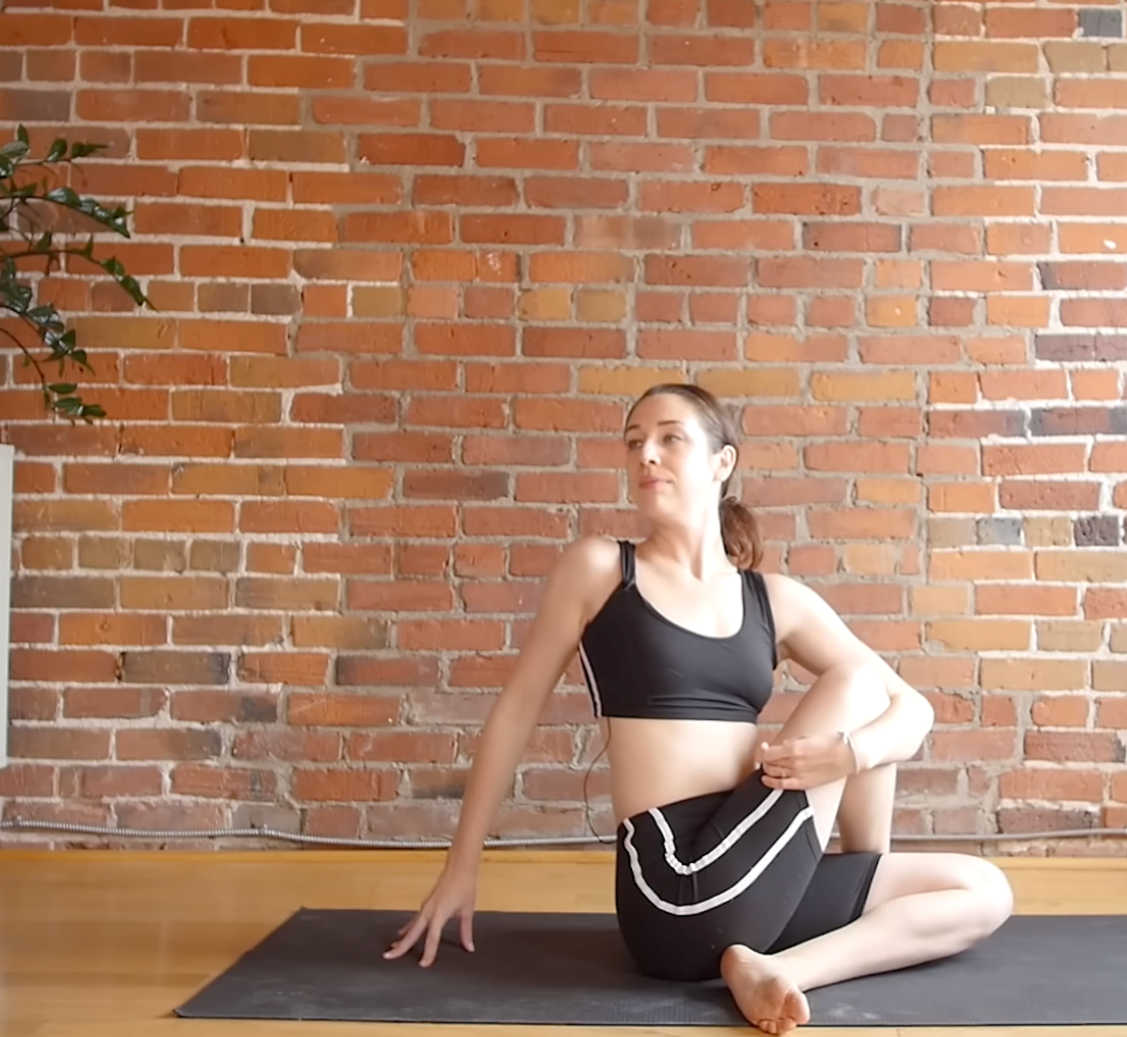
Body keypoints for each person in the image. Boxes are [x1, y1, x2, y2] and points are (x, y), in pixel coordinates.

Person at [384, 383, 1013, 1034]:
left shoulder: (776, 600)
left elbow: (914, 710)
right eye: (634, 442)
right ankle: (810, 924)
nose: (645, 455)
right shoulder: (602, 569)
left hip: (756, 871)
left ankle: (785, 966)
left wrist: (850, 754)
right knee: (856, 683)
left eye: (669, 438)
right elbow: (514, 715)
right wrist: (462, 866)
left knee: (984, 891)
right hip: (675, 886)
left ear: (722, 462)